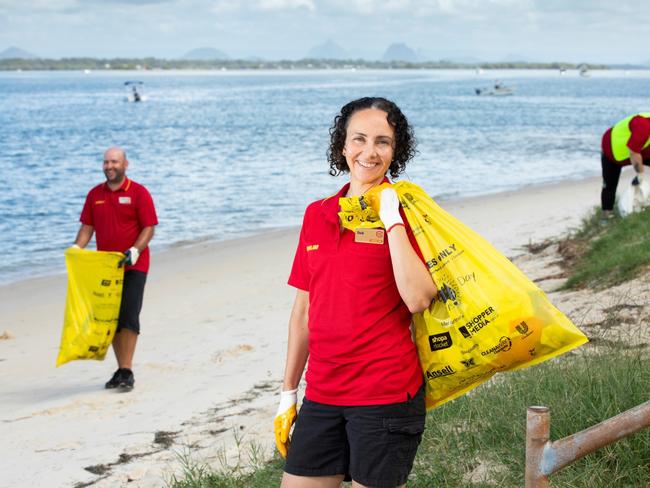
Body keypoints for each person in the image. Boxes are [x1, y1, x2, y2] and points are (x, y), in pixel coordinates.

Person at [275, 97, 438, 488]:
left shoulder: (409, 211)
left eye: (382, 142)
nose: (369, 151)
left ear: (396, 151)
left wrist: (392, 218)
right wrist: (288, 393)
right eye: (359, 139)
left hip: (384, 394)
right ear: (342, 146)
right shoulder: (317, 213)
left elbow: (418, 298)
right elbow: (303, 313)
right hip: (323, 393)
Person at [74, 147, 158, 390]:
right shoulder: (94, 195)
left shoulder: (139, 192)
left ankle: (127, 370)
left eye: (114, 162)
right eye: (106, 162)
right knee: (111, 320)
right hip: (106, 268)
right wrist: (77, 249)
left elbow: (149, 227)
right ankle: (122, 369)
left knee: (129, 317)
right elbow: (87, 227)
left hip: (134, 265)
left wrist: (135, 250)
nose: (109, 166)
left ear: (125, 164)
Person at [600, 113, 650, 217]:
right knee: (609, 185)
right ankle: (606, 216)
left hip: (641, 151)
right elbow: (633, 152)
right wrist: (640, 175)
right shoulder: (644, 126)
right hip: (612, 152)